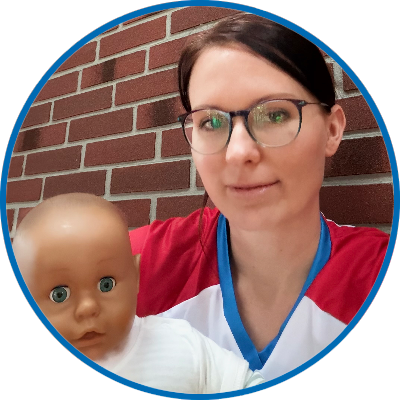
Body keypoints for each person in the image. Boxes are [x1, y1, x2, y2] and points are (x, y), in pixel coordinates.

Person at [129, 13, 390, 381]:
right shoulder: (134, 267)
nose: (238, 153)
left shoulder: (374, 270)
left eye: (275, 115)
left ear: (332, 130)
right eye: (211, 122)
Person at [12, 192, 265, 394]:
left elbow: (246, 383)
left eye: (106, 284)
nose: (88, 307)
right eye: (59, 294)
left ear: (135, 278)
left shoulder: (178, 343)